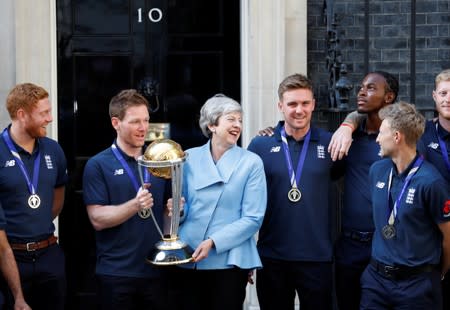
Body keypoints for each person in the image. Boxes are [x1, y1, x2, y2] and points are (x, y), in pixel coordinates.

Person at [248, 73, 338, 310]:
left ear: (313, 104)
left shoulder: (331, 144)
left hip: (317, 257)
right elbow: (245, 201)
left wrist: (348, 126)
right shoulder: (260, 146)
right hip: (272, 256)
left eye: (305, 103)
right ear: (280, 106)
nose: (299, 110)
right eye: (292, 104)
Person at [174, 94, 267, 310]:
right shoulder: (187, 157)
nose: (238, 125)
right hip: (190, 257)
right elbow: (183, 210)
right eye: (231, 119)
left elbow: (253, 218)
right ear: (212, 124)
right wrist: (177, 210)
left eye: (240, 120)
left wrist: (213, 242)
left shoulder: (251, 162)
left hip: (229, 259)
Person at [82, 89, 171, 310]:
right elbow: (97, 219)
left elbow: (165, 219)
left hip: (156, 270)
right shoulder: (98, 164)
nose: (143, 128)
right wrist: (135, 204)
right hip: (116, 275)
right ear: (116, 123)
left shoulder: (160, 161)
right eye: (135, 122)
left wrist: (174, 211)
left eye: (146, 120)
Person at [360, 102, 450, 309]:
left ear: (397, 137)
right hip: (376, 281)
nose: (377, 139)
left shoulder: (431, 182)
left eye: (382, 133)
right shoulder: (377, 171)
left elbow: (447, 238)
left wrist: (437, 273)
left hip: (417, 285)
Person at [332, 71, 398, 310]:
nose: (361, 92)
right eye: (361, 87)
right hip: (350, 246)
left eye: (371, 88)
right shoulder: (348, 139)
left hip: (386, 245)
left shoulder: (399, 139)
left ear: (388, 97)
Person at [0, 83, 68, 309]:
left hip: (49, 253)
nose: (50, 118)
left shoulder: (53, 150)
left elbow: (58, 196)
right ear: (22, 114)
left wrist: (37, 222)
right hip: (10, 257)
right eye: (44, 113)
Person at [417, 68, 450, 309]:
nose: (448, 98)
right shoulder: (422, 132)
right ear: (434, 96)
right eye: (444, 93)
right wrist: (348, 123)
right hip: (435, 235)